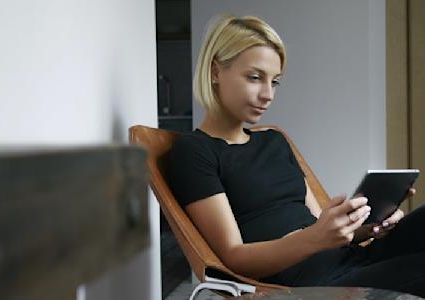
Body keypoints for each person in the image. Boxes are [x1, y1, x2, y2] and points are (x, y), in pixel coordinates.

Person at [169, 14, 425, 297]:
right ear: (216, 71)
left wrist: (370, 225)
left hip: (351, 260)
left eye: (275, 82)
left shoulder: (274, 140)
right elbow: (233, 257)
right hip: (314, 284)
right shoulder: (195, 151)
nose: (268, 94)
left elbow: (318, 226)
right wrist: (315, 237)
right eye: (255, 78)